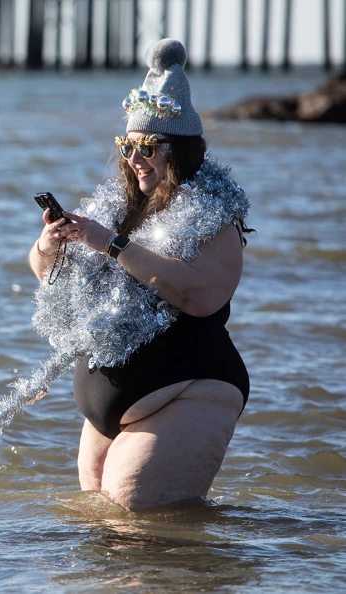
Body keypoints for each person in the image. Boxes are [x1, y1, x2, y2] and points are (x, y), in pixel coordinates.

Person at [27, 39, 252, 511]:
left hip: (188, 391)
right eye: (126, 145)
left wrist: (110, 243)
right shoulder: (121, 209)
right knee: (101, 542)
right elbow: (46, 273)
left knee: (143, 535)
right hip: (110, 405)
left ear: (181, 149)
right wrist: (51, 243)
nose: (134, 157)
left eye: (148, 145)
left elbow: (199, 293)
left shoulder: (212, 213)